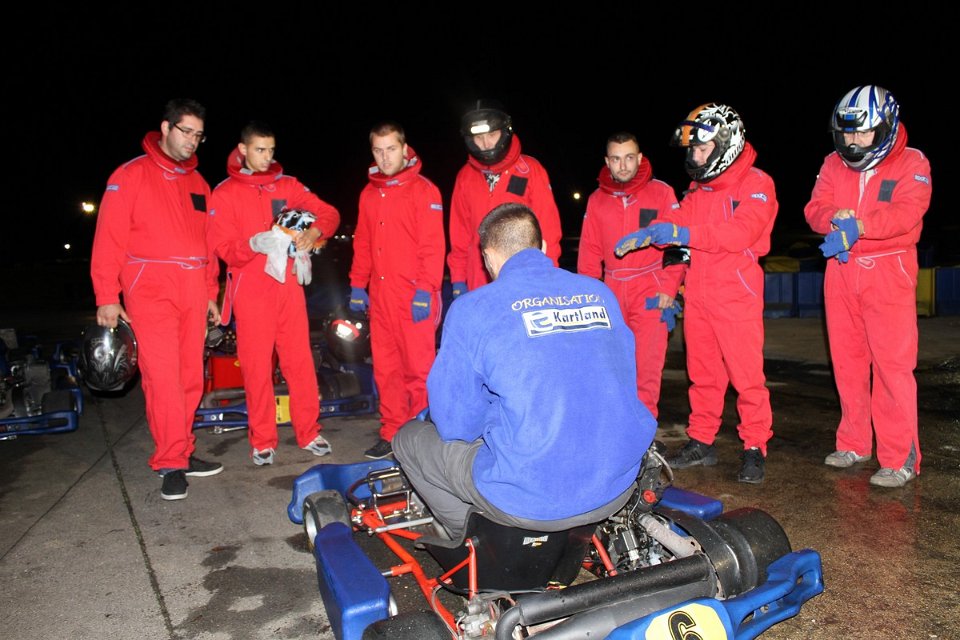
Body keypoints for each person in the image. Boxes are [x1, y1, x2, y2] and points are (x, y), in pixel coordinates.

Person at [393, 203, 655, 539]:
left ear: (488, 257)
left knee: (408, 440)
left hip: (530, 503)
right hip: (615, 486)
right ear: (542, 247)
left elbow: (456, 424)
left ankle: (472, 538)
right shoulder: (600, 293)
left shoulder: (473, 309)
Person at [615, 104, 777, 484]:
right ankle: (702, 440)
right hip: (700, 295)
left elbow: (739, 234)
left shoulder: (757, 184)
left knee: (747, 378)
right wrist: (651, 233)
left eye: (702, 149)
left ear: (726, 143)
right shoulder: (699, 191)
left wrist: (682, 234)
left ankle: (755, 446)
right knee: (702, 374)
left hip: (736, 295)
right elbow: (676, 223)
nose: (696, 157)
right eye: (694, 151)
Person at [91, 98, 223, 501]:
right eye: (186, 132)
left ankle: (182, 449)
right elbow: (108, 238)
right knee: (163, 378)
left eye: (199, 135)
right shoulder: (129, 175)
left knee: (190, 377)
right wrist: (106, 295)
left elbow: (208, 244)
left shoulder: (199, 184)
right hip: (150, 288)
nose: (192, 141)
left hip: (192, 288)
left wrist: (210, 292)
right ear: (166, 128)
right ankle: (170, 462)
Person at [804, 85, 932, 488]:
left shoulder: (912, 162)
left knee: (892, 366)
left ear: (885, 127)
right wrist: (832, 217)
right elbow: (814, 208)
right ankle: (854, 442)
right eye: (847, 133)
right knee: (847, 362)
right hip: (840, 268)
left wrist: (861, 225)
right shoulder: (832, 163)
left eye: (862, 132)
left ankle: (899, 457)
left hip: (888, 270)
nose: (853, 141)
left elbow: (908, 212)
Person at [207, 121, 340, 466]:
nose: (266, 157)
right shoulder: (223, 193)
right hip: (250, 291)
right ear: (243, 150)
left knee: (300, 363)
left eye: (271, 150)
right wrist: (251, 245)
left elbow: (330, 213)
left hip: (289, 289)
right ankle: (263, 439)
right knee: (256, 368)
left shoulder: (288, 184)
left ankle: (309, 432)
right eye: (259, 150)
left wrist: (314, 233)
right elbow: (222, 247)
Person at [348, 122, 445, 459]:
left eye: (391, 149)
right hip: (381, 297)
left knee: (418, 370)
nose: (385, 157)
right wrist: (357, 284)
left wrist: (425, 290)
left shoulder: (424, 190)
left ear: (405, 149)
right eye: (378, 150)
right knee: (386, 370)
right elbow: (363, 242)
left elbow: (433, 246)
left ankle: (422, 438)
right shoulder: (368, 194)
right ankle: (391, 432)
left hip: (414, 296)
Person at [578, 132, 683, 418]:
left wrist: (669, 287)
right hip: (611, 292)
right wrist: (589, 298)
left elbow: (678, 245)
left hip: (651, 290)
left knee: (647, 371)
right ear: (607, 162)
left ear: (639, 158)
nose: (623, 165)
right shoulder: (596, 200)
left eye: (628, 158)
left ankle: (644, 436)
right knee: (611, 368)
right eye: (616, 159)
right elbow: (589, 254)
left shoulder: (662, 193)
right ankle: (617, 431)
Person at [447, 101, 563, 295]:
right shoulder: (465, 177)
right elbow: (459, 235)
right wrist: (458, 279)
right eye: (479, 137)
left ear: (504, 132)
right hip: (479, 281)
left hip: (525, 279)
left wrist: (548, 275)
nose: (486, 144)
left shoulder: (531, 171)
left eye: (492, 135)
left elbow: (549, 230)